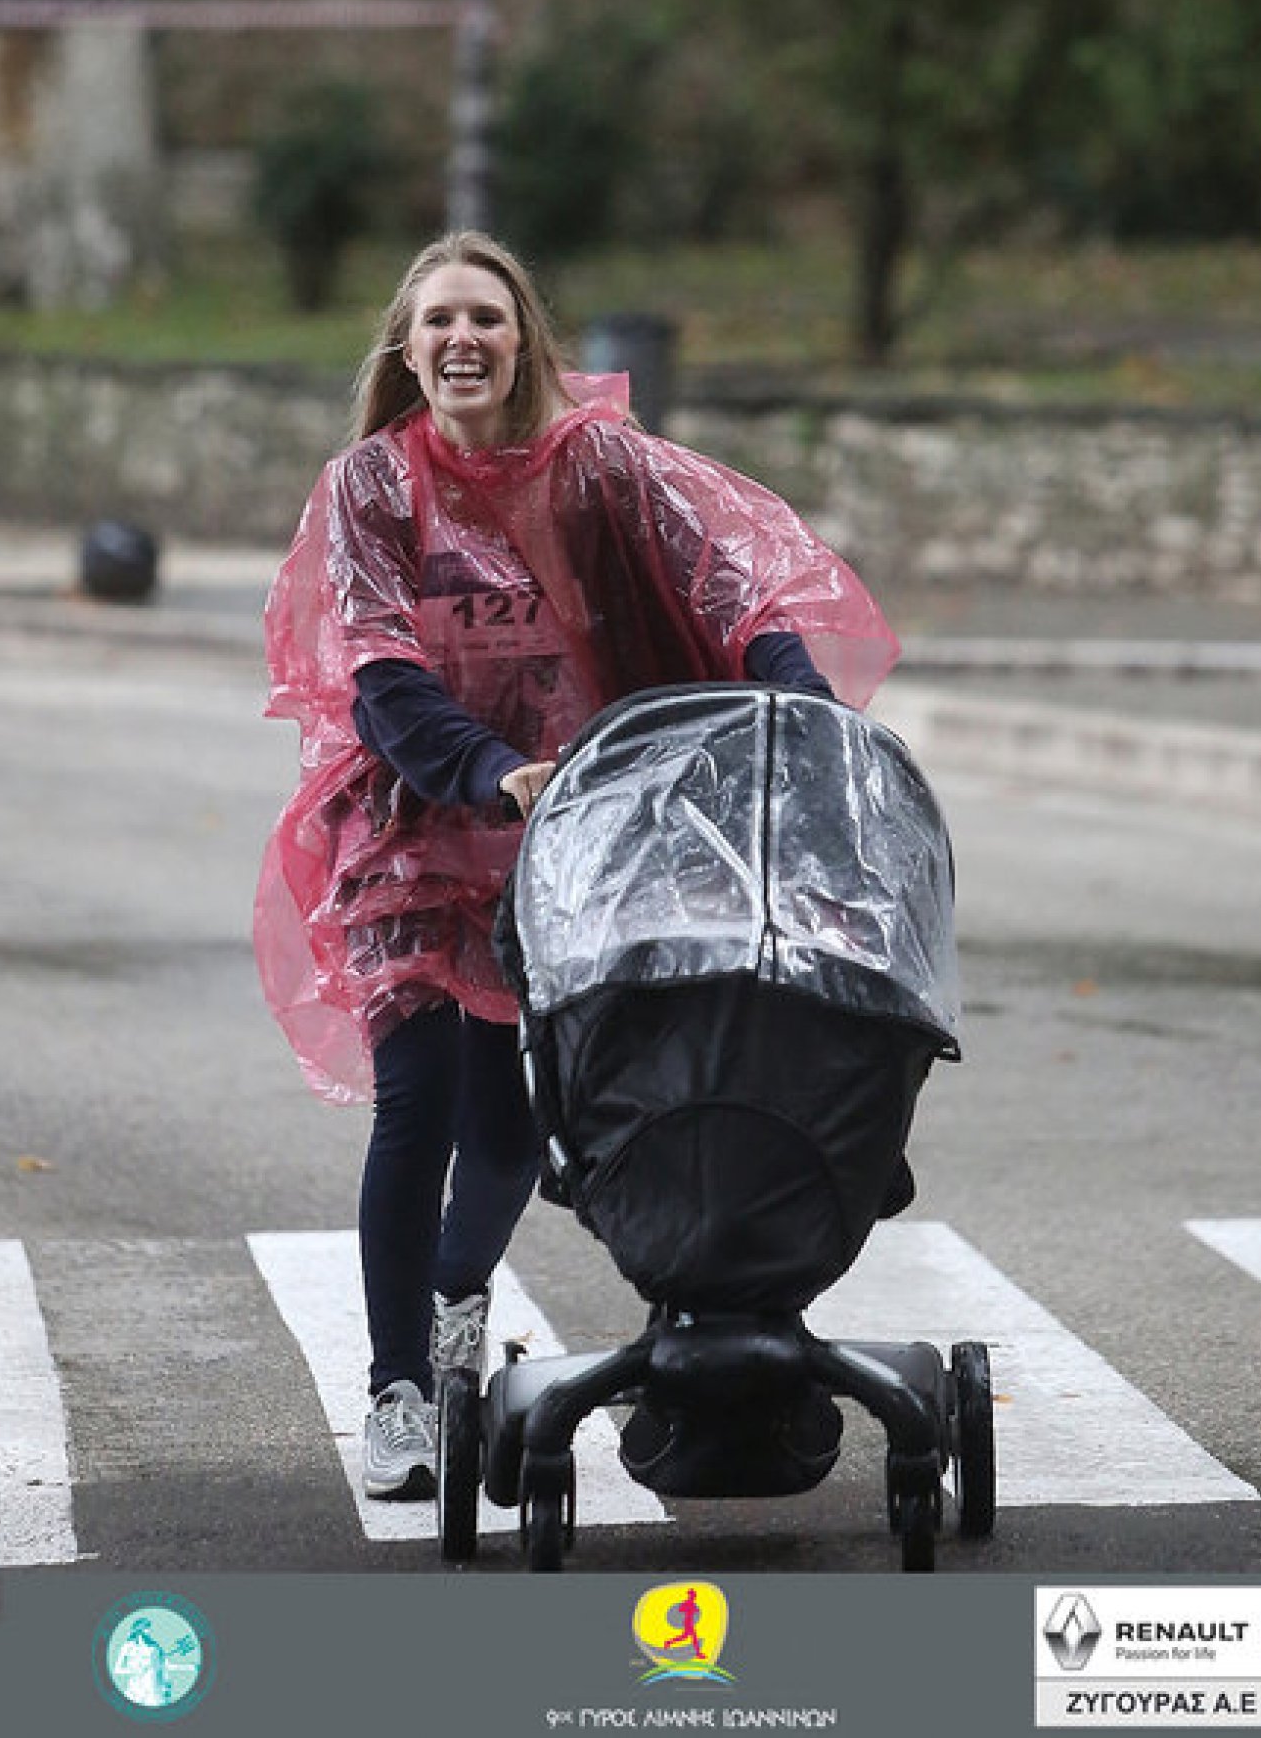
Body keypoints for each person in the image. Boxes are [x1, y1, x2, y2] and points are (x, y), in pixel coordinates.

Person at [255, 230, 900, 1500]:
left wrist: (803, 717)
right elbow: (380, 671)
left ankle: (455, 1296)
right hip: (414, 822)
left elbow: (734, 592)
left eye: (486, 318)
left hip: (580, 827)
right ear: (406, 351)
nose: (463, 338)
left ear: (523, 343)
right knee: (416, 1098)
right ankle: (396, 1391)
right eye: (439, 320)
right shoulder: (371, 486)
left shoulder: (600, 466)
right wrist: (490, 767)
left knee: (510, 1133)